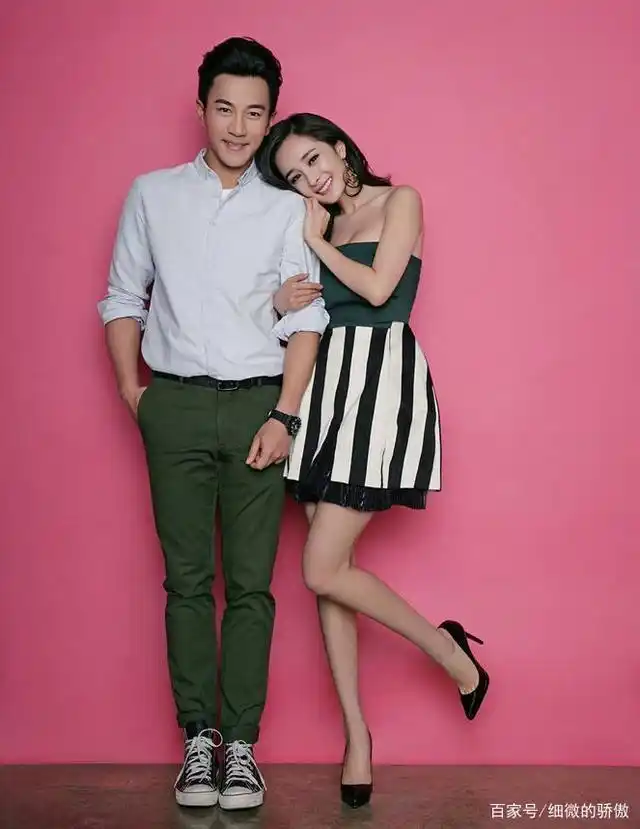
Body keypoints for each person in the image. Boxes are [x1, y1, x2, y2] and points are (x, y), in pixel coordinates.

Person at [97, 41, 328, 811]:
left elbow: (307, 319)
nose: (237, 126)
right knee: (188, 580)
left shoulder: (286, 208)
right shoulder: (152, 194)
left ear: (269, 119)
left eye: (254, 113)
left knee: (253, 585)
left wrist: (286, 414)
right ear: (201, 108)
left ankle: (242, 747)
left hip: (261, 403)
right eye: (224, 108)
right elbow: (123, 297)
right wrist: (134, 393)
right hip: (176, 405)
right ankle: (199, 741)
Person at [255, 113, 490, 809]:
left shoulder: (400, 200)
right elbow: (299, 319)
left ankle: (450, 652)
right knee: (331, 578)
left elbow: (382, 290)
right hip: (320, 390)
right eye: (295, 176)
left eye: (313, 160)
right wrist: (279, 300)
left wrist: (313, 245)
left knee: (321, 566)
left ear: (339, 146)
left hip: (380, 385)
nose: (310, 179)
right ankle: (357, 736)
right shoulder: (318, 226)